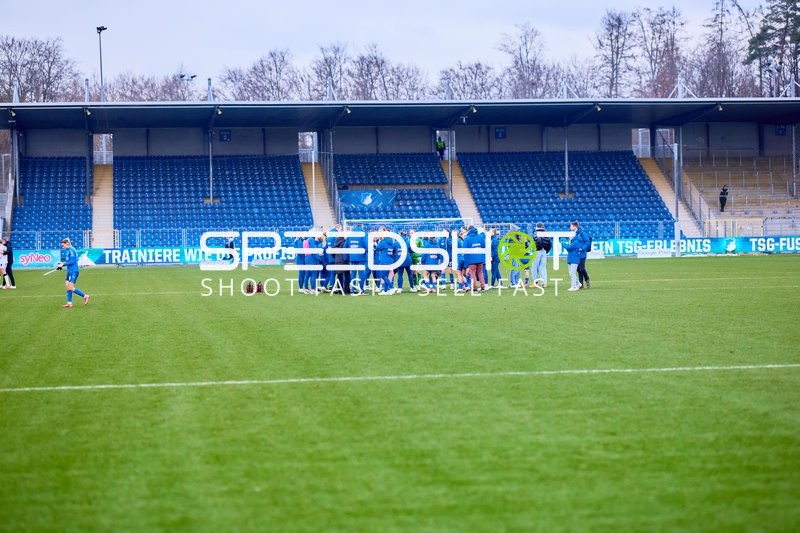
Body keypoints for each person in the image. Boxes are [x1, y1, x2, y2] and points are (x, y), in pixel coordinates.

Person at [58, 238, 90, 308]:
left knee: (70, 287)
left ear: (67, 244)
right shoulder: (67, 250)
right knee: (67, 286)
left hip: (74, 271)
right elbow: (68, 261)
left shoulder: (72, 250)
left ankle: (85, 296)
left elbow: (72, 261)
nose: (63, 247)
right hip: (69, 271)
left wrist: (63, 264)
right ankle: (69, 303)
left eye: (63, 245)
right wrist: (62, 265)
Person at [563, 222, 586, 292]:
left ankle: (573, 286)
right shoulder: (573, 242)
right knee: (571, 273)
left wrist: (562, 243)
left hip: (574, 258)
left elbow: (569, 248)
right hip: (571, 258)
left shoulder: (575, 242)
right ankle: (578, 283)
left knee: (572, 273)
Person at [532, 223, 551, 288]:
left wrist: (538, 248)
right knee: (543, 268)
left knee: (534, 267)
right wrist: (546, 250)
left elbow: (538, 240)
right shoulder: (546, 233)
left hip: (537, 251)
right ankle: (544, 283)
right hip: (544, 251)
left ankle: (535, 283)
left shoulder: (536, 233)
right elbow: (549, 243)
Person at [576, 223, 591, 289]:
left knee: (581, 268)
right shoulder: (575, 234)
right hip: (576, 253)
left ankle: (587, 279)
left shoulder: (582, 233)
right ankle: (581, 284)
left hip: (582, 253)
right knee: (578, 269)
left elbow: (587, 242)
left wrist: (582, 248)